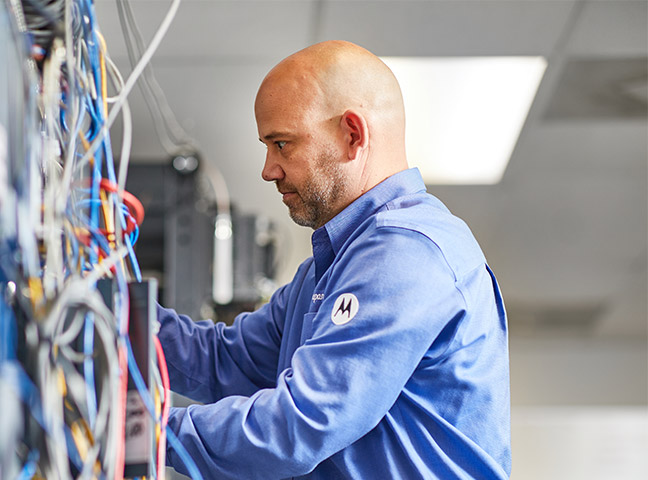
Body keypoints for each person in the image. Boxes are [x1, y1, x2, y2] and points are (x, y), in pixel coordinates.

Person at [156, 41, 511, 479]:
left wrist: (147, 432)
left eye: (282, 144)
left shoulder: (405, 253)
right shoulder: (328, 270)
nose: (268, 169)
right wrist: (116, 316)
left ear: (353, 135)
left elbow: (300, 426)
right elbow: (226, 362)